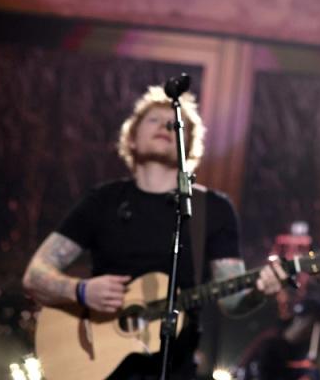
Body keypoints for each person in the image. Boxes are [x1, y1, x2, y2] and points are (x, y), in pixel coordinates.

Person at [23, 85, 285, 379]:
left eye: (175, 124)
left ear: (189, 145)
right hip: (98, 368)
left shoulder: (213, 208)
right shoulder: (102, 201)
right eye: (154, 120)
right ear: (132, 139)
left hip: (175, 369)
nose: (165, 126)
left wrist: (260, 291)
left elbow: (232, 300)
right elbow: (34, 274)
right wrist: (81, 291)